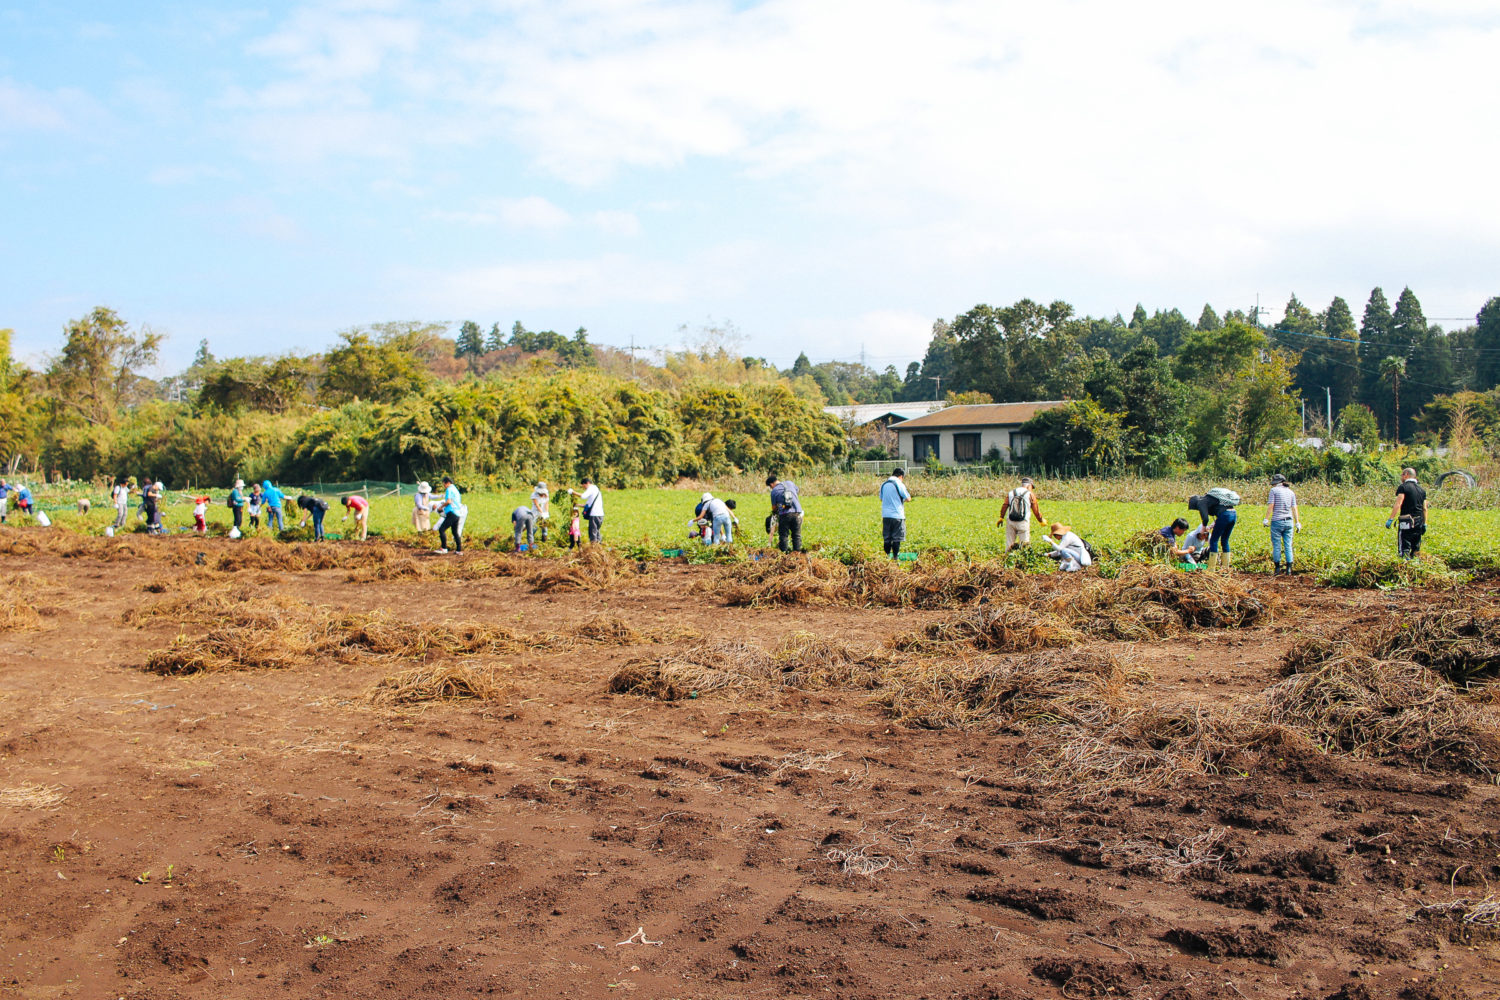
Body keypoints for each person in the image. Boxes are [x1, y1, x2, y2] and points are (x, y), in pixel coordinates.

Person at [1187, 486, 1241, 570]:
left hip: (1224, 516)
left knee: (1213, 541)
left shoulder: (1201, 502)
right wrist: (1211, 526)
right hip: (1233, 514)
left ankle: (1211, 569)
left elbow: (1205, 518)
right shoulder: (1211, 500)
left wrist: (1203, 528)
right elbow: (1220, 514)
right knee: (1224, 540)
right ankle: (1225, 568)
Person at [1263, 474, 1301, 575]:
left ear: (1276, 482)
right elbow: (1294, 508)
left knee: (1276, 545)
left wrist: (1266, 519)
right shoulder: (1291, 492)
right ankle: (1289, 569)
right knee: (1288, 545)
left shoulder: (1274, 491)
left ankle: (1277, 569)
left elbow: (1271, 505)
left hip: (1277, 521)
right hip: (1289, 521)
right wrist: (1297, 522)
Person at [1388, 467, 1428, 559]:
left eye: (1402, 475)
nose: (1401, 477)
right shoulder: (1422, 490)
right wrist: (1425, 523)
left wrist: (1391, 519)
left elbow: (1398, 503)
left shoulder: (1403, 487)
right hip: (1419, 521)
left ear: (1406, 475)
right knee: (1416, 548)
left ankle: (1404, 566)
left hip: (1406, 520)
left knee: (1404, 547)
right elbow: (1425, 508)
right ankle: (1416, 567)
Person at [997, 477, 1046, 551]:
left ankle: (1007, 558)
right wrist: (1041, 520)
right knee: (1024, 544)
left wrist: (1001, 517)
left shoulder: (1011, 492)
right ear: (1029, 485)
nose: (1031, 489)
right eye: (1032, 487)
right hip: (1023, 522)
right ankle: (1022, 560)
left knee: (1009, 543)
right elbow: (1036, 510)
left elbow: (1005, 505)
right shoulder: (1030, 494)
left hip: (1010, 521)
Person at [765, 475, 804, 553]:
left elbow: (774, 507)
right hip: (797, 513)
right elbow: (796, 490)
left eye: (770, 487)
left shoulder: (774, 491)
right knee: (796, 535)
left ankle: (784, 555)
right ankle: (797, 554)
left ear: (771, 484)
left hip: (785, 514)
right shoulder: (789, 483)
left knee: (783, 536)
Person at [880, 468, 911, 558]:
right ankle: (895, 558)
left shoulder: (884, 484)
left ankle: (887, 557)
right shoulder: (899, 483)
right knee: (897, 538)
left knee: (887, 538)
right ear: (901, 476)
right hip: (897, 515)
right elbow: (908, 498)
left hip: (886, 515)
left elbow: (881, 498)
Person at [435, 475, 464, 553]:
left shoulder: (449, 489)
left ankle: (444, 548)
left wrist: (441, 507)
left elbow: (448, 501)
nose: (444, 486)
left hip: (452, 512)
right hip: (458, 513)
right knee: (455, 532)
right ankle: (458, 550)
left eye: (444, 484)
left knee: (441, 529)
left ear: (447, 483)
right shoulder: (455, 489)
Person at [571, 477, 603, 543]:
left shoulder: (591, 488)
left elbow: (583, 496)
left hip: (594, 514)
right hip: (600, 515)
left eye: (584, 486)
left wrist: (572, 492)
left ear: (587, 483)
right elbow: (587, 505)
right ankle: (599, 546)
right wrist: (577, 505)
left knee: (592, 532)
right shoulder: (596, 489)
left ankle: (593, 548)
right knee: (597, 531)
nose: (584, 488)